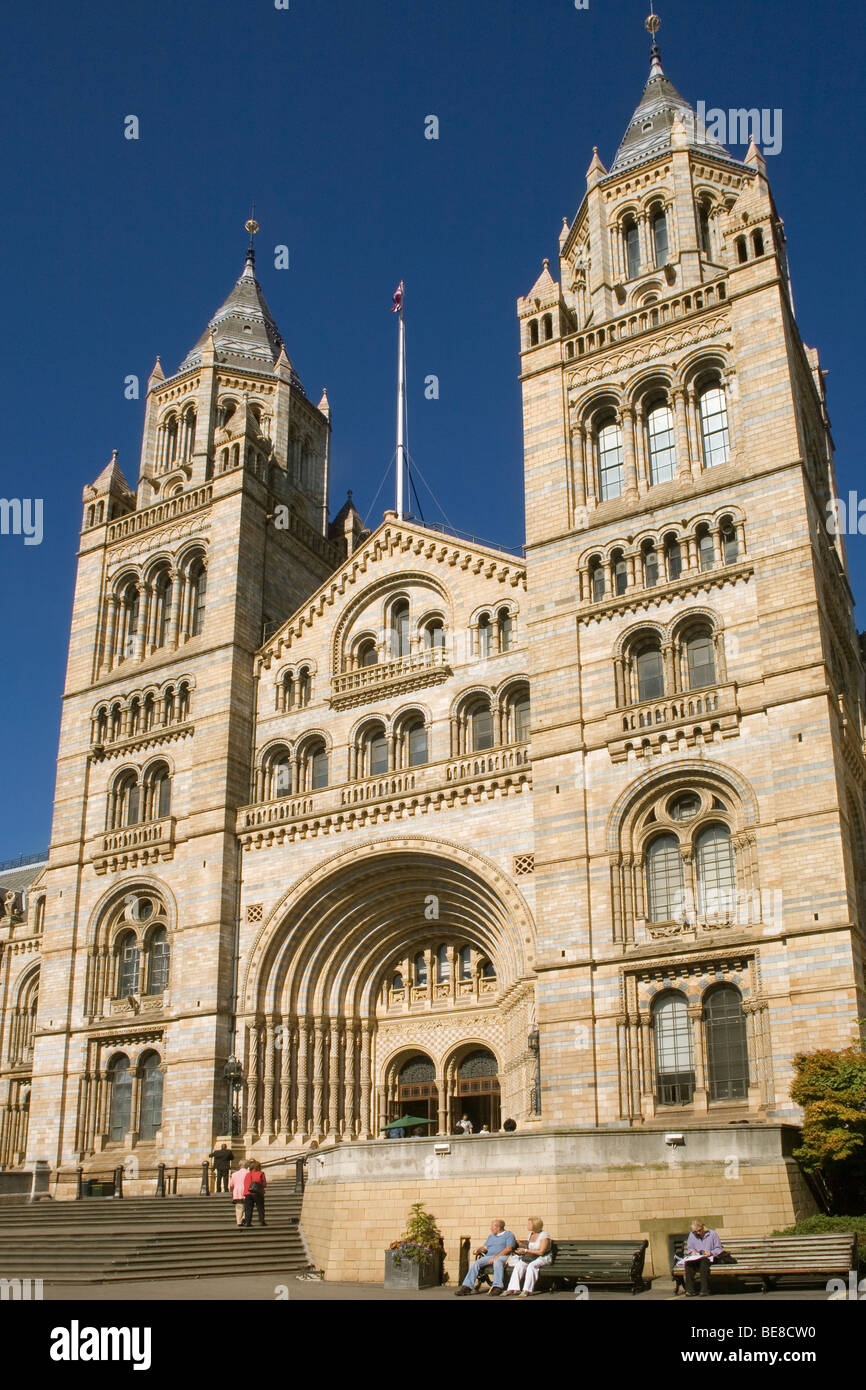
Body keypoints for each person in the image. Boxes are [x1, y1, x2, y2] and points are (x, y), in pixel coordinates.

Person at [455, 1220, 517, 1297]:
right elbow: (485, 1247)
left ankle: (497, 1287)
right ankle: (467, 1287)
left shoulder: (509, 1235)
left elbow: (509, 1249)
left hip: (503, 1256)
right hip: (489, 1257)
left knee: (497, 1261)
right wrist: (479, 1250)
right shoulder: (491, 1236)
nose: (490, 1228)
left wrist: (495, 1257)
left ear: (498, 1227)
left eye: (492, 1226)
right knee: (475, 1263)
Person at [505, 1218, 552, 1296]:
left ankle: (527, 1290)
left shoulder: (544, 1235)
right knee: (519, 1265)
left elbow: (541, 1252)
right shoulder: (531, 1235)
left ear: (535, 1225)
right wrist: (521, 1245)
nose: (527, 1225)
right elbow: (530, 1247)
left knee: (531, 1266)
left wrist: (525, 1251)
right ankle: (512, 1288)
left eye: (529, 1224)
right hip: (532, 1257)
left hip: (543, 1257)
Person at [679, 1218, 723, 1296]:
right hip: (697, 1257)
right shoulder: (692, 1235)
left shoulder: (712, 1234)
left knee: (703, 1263)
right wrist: (692, 1252)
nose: (698, 1233)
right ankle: (690, 1290)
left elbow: (719, 1248)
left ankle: (704, 1289)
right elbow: (690, 1248)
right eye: (695, 1232)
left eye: (699, 1230)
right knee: (688, 1264)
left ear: (703, 1227)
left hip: (709, 1257)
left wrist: (711, 1252)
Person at [242, 1160, 267, 1227]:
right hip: (258, 1193)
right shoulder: (261, 1173)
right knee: (260, 1208)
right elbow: (264, 1184)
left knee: (248, 1208)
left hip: (248, 1193)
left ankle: (247, 1222)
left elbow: (245, 1183)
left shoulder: (247, 1174)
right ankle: (262, 1221)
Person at [229, 1161, 249, 1226]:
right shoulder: (248, 1173)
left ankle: (239, 1221)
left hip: (237, 1192)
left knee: (239, 1207)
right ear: (247, 1166)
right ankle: (244, 1217)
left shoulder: (234, 1174)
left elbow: (231, 1184)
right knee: (247, 1206)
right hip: (246, 1191)